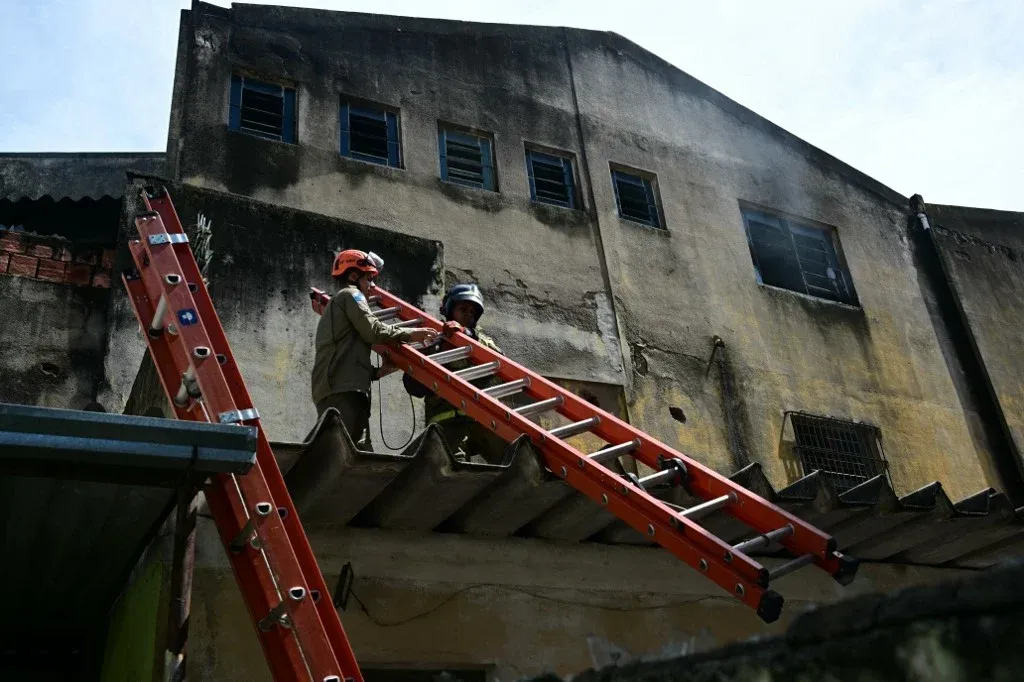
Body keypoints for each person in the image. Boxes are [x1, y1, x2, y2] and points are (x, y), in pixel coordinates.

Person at [311, 249, 437, 451]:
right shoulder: (351, 295)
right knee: (335, 451)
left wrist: (380, 372)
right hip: (342, 390)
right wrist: (411, 334)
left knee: (356, 452)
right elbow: (373, 330)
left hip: (344, 389)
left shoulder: (341, 305)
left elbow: (347, 358)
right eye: (369, 279)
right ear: (354, 276)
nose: (373, 286)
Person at [403, 283, 508, 464]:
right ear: (450, 309)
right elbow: (413, 387)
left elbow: (501, 365)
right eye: (463, 309)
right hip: (447, 426)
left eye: (472, 312)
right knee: (455, 471)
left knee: (514, 460)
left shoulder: (481, 341)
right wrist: (438, 354)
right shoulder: (431, 340)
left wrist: (466, 335)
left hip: (481, 421)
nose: (468, 314)